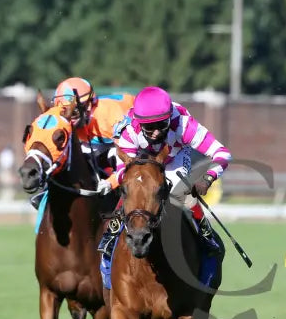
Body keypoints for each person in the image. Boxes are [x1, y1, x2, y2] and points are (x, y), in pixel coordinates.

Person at [99, 86, 231, 256]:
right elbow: (123, 174)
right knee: (131, 187)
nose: (155, 133)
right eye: (149, 127)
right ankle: (112, 232)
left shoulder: (184, 126)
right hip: (140, 157)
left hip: (174, 156)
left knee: (181, 192)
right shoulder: (128, 132)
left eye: (161, 125)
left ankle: (205, 233)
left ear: (169, 118)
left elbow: (222, 153)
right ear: (139, 123)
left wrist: (207, 179)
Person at [51, 77, 134, 183]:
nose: (68, 117)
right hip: (107, 141)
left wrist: (111, 183)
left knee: (113, 155)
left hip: (135, 139)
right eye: (63, 111)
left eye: (73, 111)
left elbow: (130, 153)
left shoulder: (110, 117)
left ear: (88, 106)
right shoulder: (77, 119)